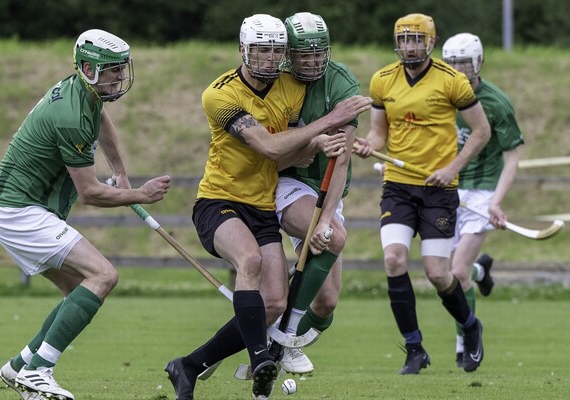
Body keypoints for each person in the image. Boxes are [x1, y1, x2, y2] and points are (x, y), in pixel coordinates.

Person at [164, 14, 372, 400]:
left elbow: (294, 143)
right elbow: (270, 146)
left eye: (276, 50)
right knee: (251, 262)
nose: (269, 57)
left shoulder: (290, 87)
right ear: (243, 49)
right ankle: (263, 356)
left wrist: (322, 142)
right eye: (261, 49)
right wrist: (332, 121)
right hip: (220, 200)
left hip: (261, 205)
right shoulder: (219, 94)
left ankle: (189, 365)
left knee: (274, 302)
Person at [0, 29, 171, 400]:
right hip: (19, 211)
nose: (119, 77)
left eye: (121, 69)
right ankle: (39, 370)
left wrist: (121, 171)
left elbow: (102, 123)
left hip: (20, 209)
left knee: (76, 291)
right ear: (88, 68)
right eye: (112, 70)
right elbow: (89, 193)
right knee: (103, 275)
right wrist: (140, 195)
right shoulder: (70, 115)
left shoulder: (84, 93)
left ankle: (20, 366)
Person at [354, 13, 491, 374]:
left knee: (437, 273)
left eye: (417, 39)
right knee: (394, 260)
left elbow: (481, 131)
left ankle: (471, 325)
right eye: (404, 40)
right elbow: (379, 133)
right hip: (398, 186)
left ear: (430, 42)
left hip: (439, 190)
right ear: (396, 43)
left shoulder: (453, 80)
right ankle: (414, 348)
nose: (410, 46)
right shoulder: (382, 80)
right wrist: (368, 145)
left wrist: (452, 168)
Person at [273, 11, 361, 375]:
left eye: (318, 53)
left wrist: (326, 216)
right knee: (334, 236)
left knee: (326, 303)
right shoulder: (275, 82)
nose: (311, 61)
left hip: (328, 187)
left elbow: (341, 159)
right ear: (289, 54)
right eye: (303, 54)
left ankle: (274, 347)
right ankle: (284, 337)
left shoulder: (341, 84)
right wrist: (325, 225)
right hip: (285, 180)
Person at [442, 32, 524, 368]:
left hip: (483, 191)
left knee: (456, 272)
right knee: (448, 273)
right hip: (448, 190)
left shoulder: (496, 104)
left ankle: (466, 340)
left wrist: (496, 202)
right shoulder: (440, 97)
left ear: (478, 62)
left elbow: (513, 157)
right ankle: (481, 271)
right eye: (452, 64)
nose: (459, 70)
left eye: (464, 62)